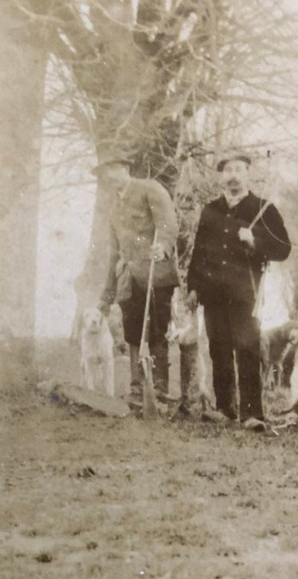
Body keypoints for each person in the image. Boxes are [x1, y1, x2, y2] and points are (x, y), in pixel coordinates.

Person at [186, 153, 291, 429]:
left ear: (247, 174)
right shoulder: (210, 210)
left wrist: (255, 241)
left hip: (246, 293)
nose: (232, 175)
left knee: (247, 350)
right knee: (218, 349)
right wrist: (194, 288)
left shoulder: (263, 209)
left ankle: (251, 413)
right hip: (212, 293)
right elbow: (198, 252)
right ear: (222, 177)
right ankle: (224, 408)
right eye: (227, 170)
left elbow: (283, 249)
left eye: (238, 169)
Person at [96, 152, 179, 408]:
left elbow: (168, 224)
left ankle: (161, 390)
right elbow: (113, 252)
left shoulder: (149, 190)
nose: (110, 176)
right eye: (105, 173)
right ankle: (137, 388)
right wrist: (106, 295)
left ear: (125, 168)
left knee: (157, 332)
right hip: (128, 280)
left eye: (114, 169)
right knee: (133, 334)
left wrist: (163, 247)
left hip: (156, 275)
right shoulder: (113, 210)